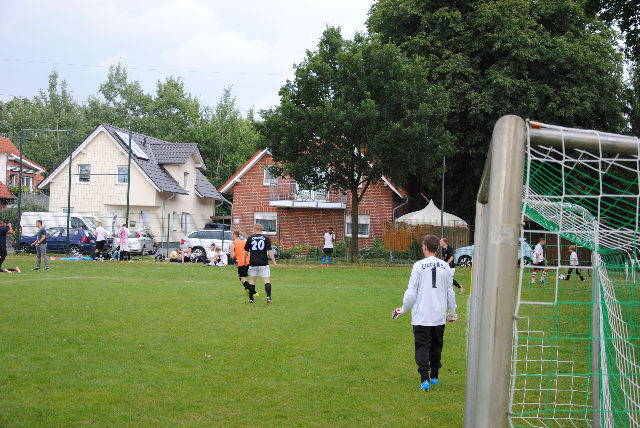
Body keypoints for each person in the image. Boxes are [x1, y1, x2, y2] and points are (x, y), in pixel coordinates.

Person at [392, 235, 457, 391]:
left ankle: (424, 379)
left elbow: (411, 292)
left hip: (422, 315)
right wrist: (452, 310)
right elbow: (450, 292)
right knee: (436, 346)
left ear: (425, 247)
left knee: (422, 346)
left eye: (422, 245)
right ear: (437, 248)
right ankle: (434, 376)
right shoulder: (445, 266)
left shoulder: (418, 266)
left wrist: (403, 308)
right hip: (439, 315)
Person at [244, 223, 278, 304]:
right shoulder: (266, 238)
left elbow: (246, 251)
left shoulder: (250, 238)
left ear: (255, 229)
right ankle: (268, 297)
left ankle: (251, 299)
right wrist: (274, 261)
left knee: (252, 281)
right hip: (263, 263)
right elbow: (270, 251)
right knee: (266, 281)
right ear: (261, 229)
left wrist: (244, 260)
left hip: (253, 262)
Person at [231, 231, 256, 297]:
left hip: (242, 261)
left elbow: (232, 255)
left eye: (232, 235)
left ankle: (253, 292)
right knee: (240, 276)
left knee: (242, 278)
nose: (232, 236)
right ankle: (247, 289)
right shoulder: (244, 241)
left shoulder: (233, 243)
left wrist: (236, 256)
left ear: (234, 235)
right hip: (248, 260)